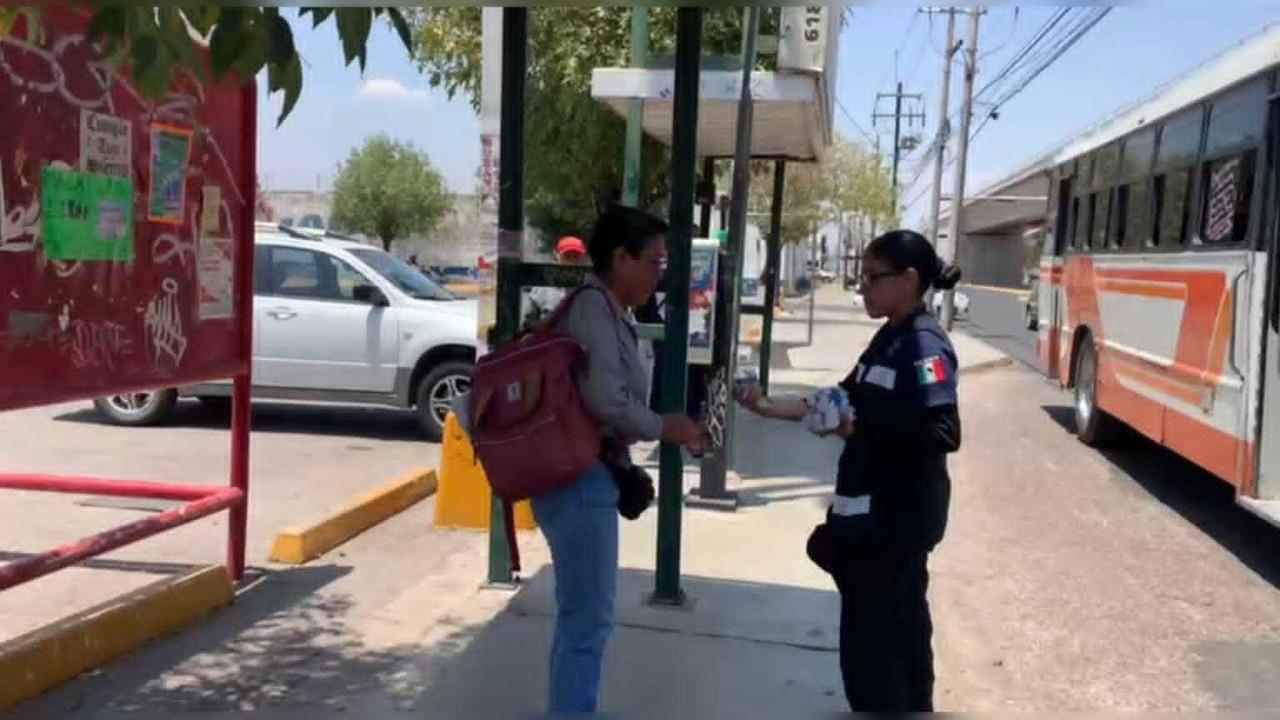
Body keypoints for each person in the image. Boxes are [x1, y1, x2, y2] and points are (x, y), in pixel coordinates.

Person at [736, 229, 963, 712]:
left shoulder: (924, 346)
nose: (862, 288)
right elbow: (842, 398)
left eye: (871, 278)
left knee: (887, 654)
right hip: (870, 525)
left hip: (897, 524)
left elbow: (942, 432)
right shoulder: (889, 339)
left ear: (908, 279)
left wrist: (856, 425)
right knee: (866, 649)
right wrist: (769, 407)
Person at [536, 207, 703, 713]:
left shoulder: (613, 312)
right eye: (653, 261)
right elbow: (606, 400)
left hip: (590, 474)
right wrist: (662, 427)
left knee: (581, 618)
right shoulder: (593, 308)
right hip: (577, 479)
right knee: (587, 620)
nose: (661, 273)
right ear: (619, 257)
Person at [523, 235, 589, 327]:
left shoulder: (591, 289)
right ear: (557, 256)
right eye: (567, 256)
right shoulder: (542, 289)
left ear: (583, 259)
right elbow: (528, 323)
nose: (571, 261)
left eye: (576, 257)